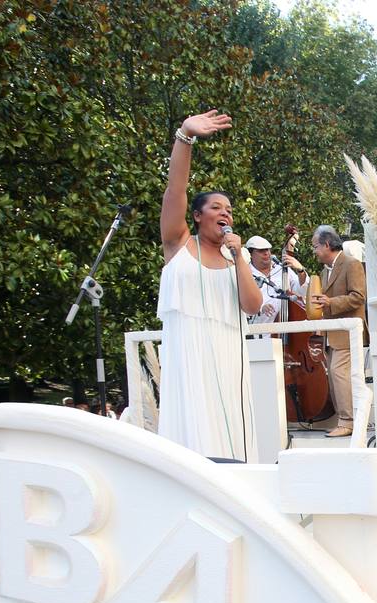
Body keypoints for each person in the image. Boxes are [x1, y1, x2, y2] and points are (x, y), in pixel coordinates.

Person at [157, 109, 263, 460]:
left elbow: (253, 306)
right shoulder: (178, 244)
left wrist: (240, 260)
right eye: (216, 207)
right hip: (188, 354)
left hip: (227, 354)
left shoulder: (237, 257)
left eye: (229, 210)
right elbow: (176, 190)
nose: (226, 214)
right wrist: (185, 137)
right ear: (198, 215)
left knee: (230, 430)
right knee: (192, 431)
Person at [299, 225, 367, 438]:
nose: (314, 250)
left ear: (327, 245)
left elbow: (358, 297)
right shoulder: (323, 272)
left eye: (316, 246)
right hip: (332, 333)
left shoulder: (352, 264)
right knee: (334, 377)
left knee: (339, 374)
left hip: (349, 331)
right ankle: (344, 420)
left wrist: (330, 302)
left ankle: (348, 421)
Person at [242, 235, 285, 325]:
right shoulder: (244, 273)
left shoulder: (281, 269)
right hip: (257, 331)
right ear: (251, 254)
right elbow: (241, 303)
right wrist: (261, 307)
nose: (266, 253)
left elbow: (301, 290)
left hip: (284, 328)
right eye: (261, 251)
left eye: (267, 249)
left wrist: (301, 271)